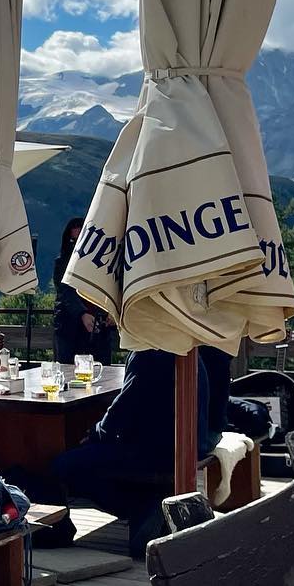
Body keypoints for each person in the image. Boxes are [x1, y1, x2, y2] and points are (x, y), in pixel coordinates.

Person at [52, 348, 211, 558]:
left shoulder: (147, 352)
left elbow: (122, 410)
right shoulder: (185, 348)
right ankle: (146, 502)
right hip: (186, 445)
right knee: (92, 457)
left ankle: (141, 505)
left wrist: (94, 434)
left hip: (154, 453)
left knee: (62, 466)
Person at [53, 218, 118, 365]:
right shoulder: (62, 262)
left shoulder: (103, 262)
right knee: (67, 371)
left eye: (80, 240)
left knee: (102, 372)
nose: (76, 246)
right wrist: (82, 313)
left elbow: (111, 286)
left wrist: (112, 310)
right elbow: (65, 291)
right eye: (72, 241)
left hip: (99, 327)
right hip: (69, 329)